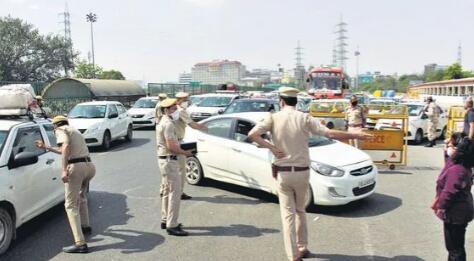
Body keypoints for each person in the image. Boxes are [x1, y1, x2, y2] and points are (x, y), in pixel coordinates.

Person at [248, 87, 371, 261]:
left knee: (287, 214)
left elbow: (252, 134)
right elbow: (329, 133)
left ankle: (293, 255)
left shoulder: (273, 118)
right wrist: (355, 135)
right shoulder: (304, 118)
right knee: (300, 211)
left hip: (283, 173)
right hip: (303, 173)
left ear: (281, 101)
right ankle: (302, 247)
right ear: (296, 101)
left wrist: (273, 148)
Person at [35, 115, 96, 253]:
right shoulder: (74, 130)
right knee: (81, 196)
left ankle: (80, 244)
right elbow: (64, 150)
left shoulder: (60, 130)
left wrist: (63, 170)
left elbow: (66, 146)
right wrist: (46, 147)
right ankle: (85, 226)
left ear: (55, 125)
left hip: (76, 167)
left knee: (70, 204)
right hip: (89, 166)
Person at [432, 133, 474, 261]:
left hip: (456, 213)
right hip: (460, 210)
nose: (447, 146)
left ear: (459, 150)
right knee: (454, 248)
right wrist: (446, 151)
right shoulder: (462, 165)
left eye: (450, 145)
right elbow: (448, 162)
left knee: (455, 249)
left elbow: (449, 191)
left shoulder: (457, 170)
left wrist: (441, 206)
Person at [156, 98, 194, 236]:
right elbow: (171, 146)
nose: (176, 111)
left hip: (164, 160)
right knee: (175, 193)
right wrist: (186, 152)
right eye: (173, 109)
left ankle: (165, 219)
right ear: (166, 110)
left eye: (175, 108)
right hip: (169, 160)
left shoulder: (162, 121)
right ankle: (172, 225)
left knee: (167, 191)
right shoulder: (169, 124)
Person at [174, 92, 207, 200]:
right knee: (181, 170)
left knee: (170, 169)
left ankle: (164, 190)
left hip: (170, 141)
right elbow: (192, 125)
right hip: (177, 141)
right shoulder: (180, 111)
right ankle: (180, 193)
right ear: (179, 100)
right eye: (185, 100)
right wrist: (204, 127)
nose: (187, 102)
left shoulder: (172, 109)